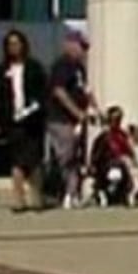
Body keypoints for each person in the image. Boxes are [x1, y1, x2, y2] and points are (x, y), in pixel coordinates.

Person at [0, 29, 47, 213]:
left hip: (32, 120)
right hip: (12, 121)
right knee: (16, 161)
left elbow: (42, 93)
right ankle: (18, 199)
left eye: (17, 43)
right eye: (10, 44)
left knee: (34, 161)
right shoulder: (1, 71)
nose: (14, 47)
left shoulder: (34, 68)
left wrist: (36, 110)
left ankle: (37, 198)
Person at [47, 27, 98, 209]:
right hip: (61, 119)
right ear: (70, 45)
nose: (84, 51)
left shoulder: (80, 69)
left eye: (85, 48)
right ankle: (66, 192)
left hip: (76, 121)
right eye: (81, 47)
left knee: (76, 157)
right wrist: (77, 112)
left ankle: (73, 193)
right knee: (65, 157)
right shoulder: (62, 65)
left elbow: (85, 90)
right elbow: (59, 91)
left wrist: (96, 110)